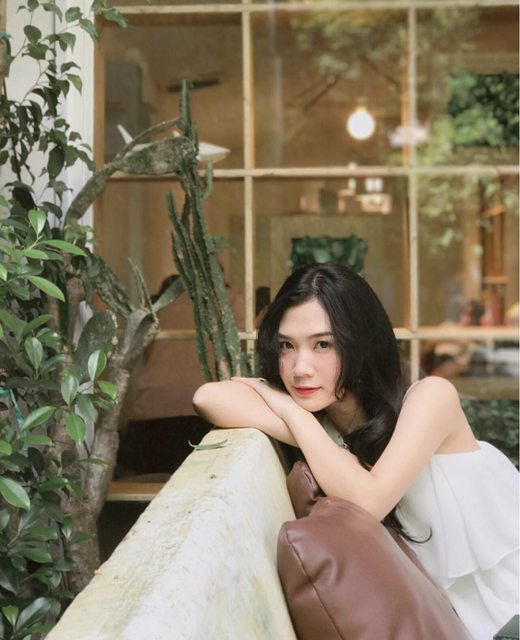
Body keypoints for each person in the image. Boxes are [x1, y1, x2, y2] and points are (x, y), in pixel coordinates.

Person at [192, 263, 519, 640]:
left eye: (323, 344)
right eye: (286, 345)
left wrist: (289, 411)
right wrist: (301, 420)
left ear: (360, 344)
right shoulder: (323, 430)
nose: (300, 368)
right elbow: (208, 397)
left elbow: (369, 502)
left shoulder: (432, 397)